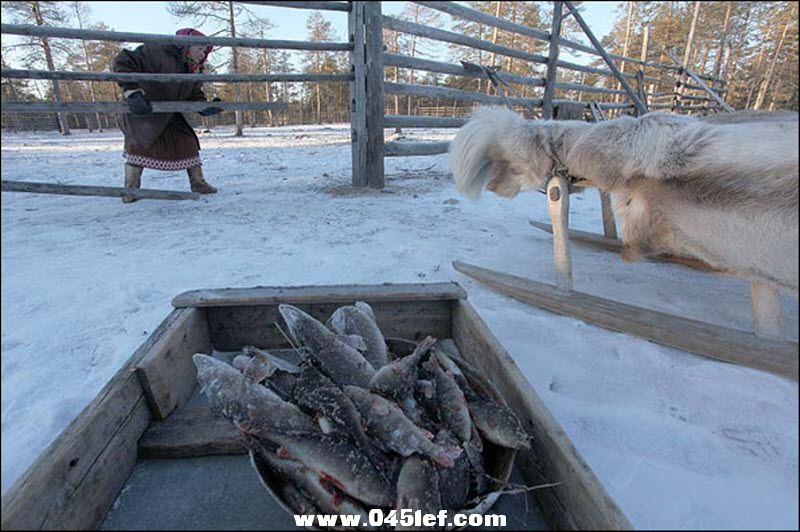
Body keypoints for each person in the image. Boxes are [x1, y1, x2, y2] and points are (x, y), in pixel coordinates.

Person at [113, 28, 223, 203]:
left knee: (188, 141)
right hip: (143, 109)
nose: (203, 55)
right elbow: (123, 60)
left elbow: (194, 94)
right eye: (201, 49)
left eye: (205, 51)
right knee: (139, 145)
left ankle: (198, 182)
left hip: (169, 112)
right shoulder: (158, 50)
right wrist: (132, 91)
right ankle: (130, 189)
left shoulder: (192, 69)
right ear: (188, 44)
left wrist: (205, 107)